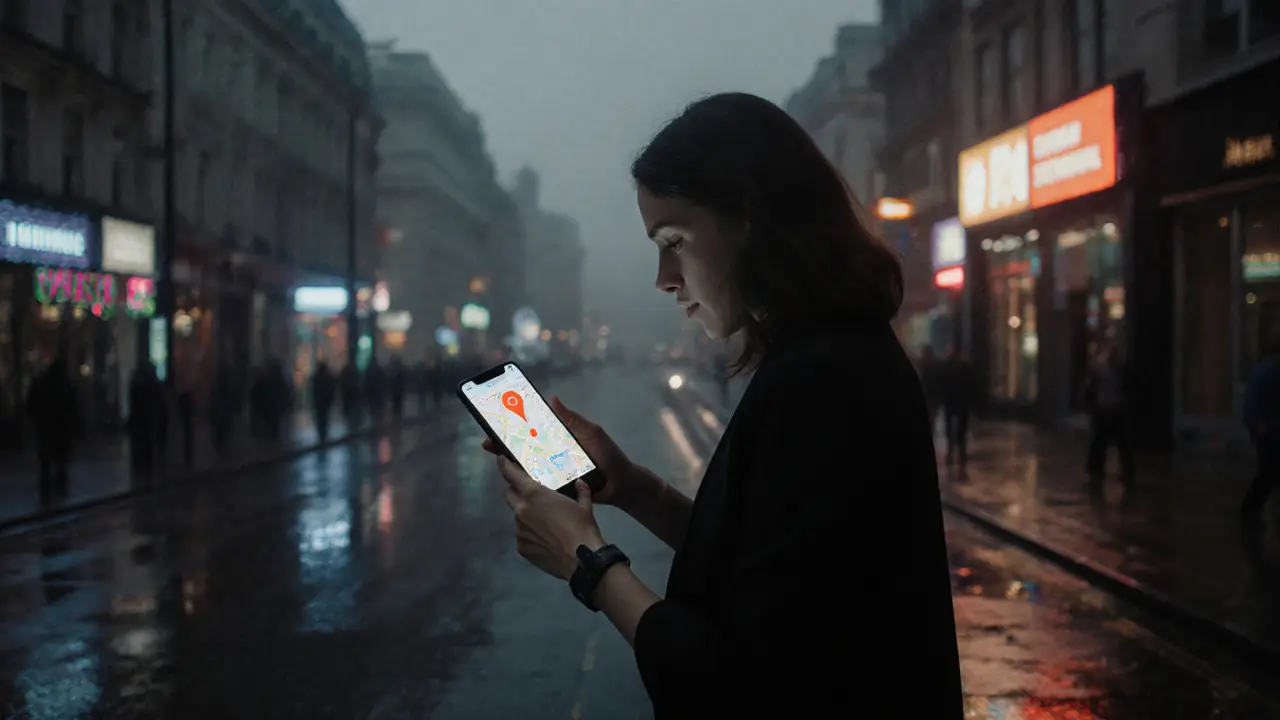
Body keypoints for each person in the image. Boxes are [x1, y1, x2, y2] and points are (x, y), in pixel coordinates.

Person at [481, 92, 962, 718]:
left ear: (751, 218)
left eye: (674, 240)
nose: (663, 277)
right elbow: (772, 568)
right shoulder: (826, 355)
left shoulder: (824, 380)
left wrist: (588, 564)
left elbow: (734, 685)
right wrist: (634, 488)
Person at [1083, 341, 1135, 486]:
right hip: (1105, 409)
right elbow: (1091, 389)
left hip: (1115, 409)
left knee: (1119, 443)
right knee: (1101, 442)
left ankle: (1123, 472)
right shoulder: (1101, 369)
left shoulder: (1118, 369)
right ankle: (1096, 471)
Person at [1242, 333, 1280, 529]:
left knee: (1270, 472)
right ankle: (1249, 512)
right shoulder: (1267, 372)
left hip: (1269, 429)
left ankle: (1250, 512)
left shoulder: (1268, 371)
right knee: (1269, 472)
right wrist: (1259, 424)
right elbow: (1252, 401)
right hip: (1268, 430)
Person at [941, 347, 977, 467]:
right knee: (961, 429)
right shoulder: (966, 367)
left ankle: (952, 451)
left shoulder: (947, 367)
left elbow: (942, 383)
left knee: (950, 427)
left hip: (951, 402)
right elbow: (972, 386)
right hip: (962, 403)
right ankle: (961, 452)